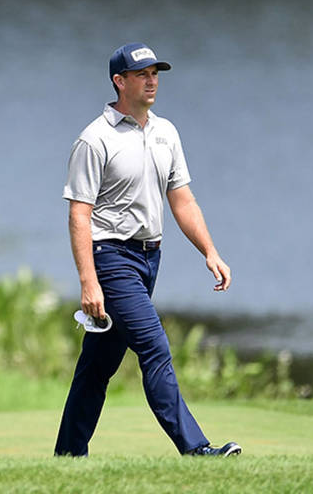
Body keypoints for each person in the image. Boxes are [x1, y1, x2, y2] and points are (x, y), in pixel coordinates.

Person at [54, 42, 240, 457]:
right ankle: (196, 450)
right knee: (155, 348)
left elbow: (183, 199)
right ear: (119, 81)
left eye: (155, 73)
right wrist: (89, 283)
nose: (152, 80)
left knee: (97, 367)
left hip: (149, 258)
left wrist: (209, 251)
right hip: (111, 258)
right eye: (142, 74)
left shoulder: (165, 132)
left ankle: (66, 457)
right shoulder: (94, 139)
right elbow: (79, 216)